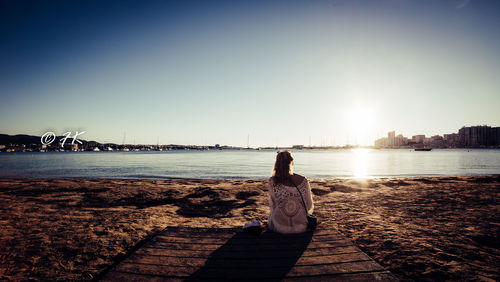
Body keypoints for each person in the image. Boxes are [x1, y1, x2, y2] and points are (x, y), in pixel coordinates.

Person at [267, 150, 314, 234]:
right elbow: (309, 206)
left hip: (280, 227)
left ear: (276, 164)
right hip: (301, 227)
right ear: (291, 162)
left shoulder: (272, 181)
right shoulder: (303, 180)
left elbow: (273, 205)